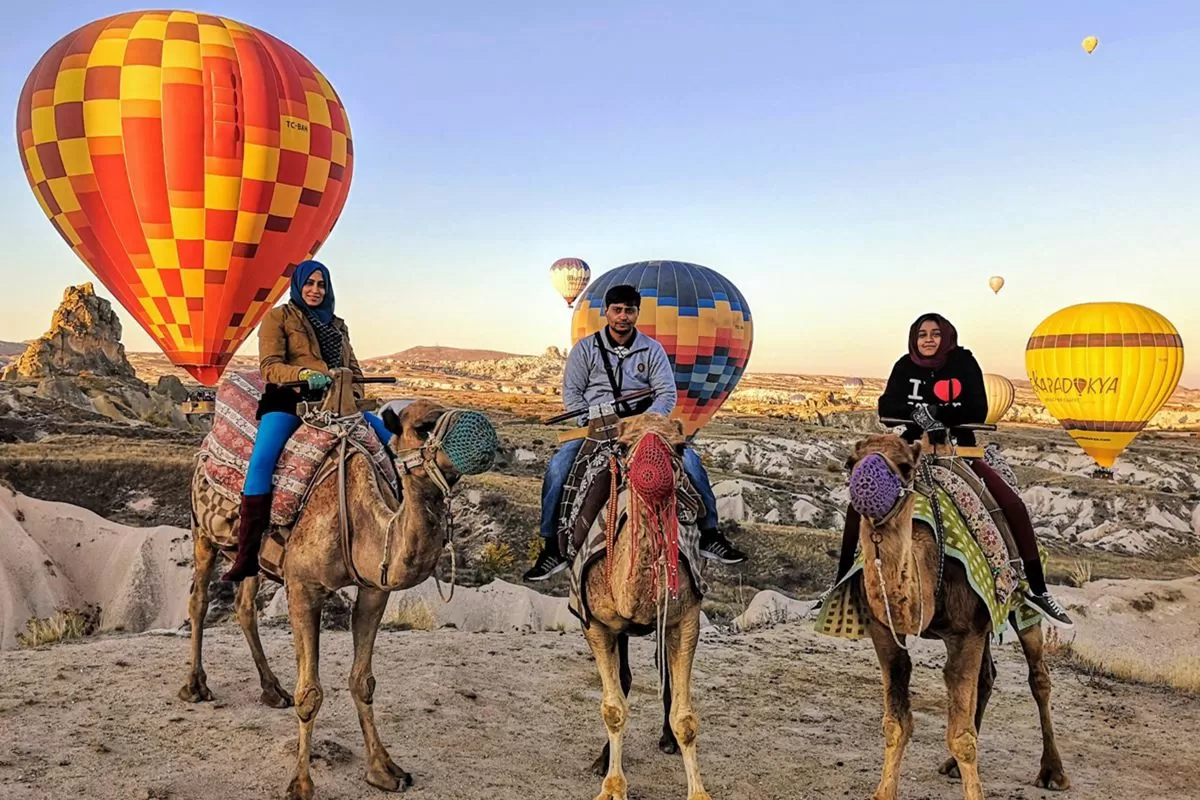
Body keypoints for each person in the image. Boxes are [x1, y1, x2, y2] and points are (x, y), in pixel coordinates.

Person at [826, 312, 1073, 627]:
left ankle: (1036, 588)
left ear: (947, 336)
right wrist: (923, 415)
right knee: (861, 500)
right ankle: (842, 581)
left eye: (935, 333)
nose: (928, 339)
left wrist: (937, 413)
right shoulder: (905, 366)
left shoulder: (963, 364)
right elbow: (886, 407)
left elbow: (978, 408)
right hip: (911, 454)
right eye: (922, 334)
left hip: (958, 452)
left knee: (1011, 504)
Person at [523, 284, 747, 581]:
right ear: (607, 312)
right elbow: (573, 396)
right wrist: (591, 418)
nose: (623, 316)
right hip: (598, 426)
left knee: (691, 461)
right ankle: (551, 546)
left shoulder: (652, 349)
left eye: (629, 310)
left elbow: (666, 394)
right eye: (617, 310)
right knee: (558, 466)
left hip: (643, 426)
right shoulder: (585, 350)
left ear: (637, 313)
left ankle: (710, 534)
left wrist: (646, 421)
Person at [221, 259, 393, 582]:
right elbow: (270, 367)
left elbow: (354, 371)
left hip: (337, 403)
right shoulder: (278, 318)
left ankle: (402, 522)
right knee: (261, 464)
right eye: (309, 284)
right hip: (289, 400)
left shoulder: (338, 327)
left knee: (393, 442)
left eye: (321, 285)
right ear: (298, 286)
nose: (315, 290)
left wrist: (350, 390)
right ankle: (247, 555)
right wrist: (303, 375)